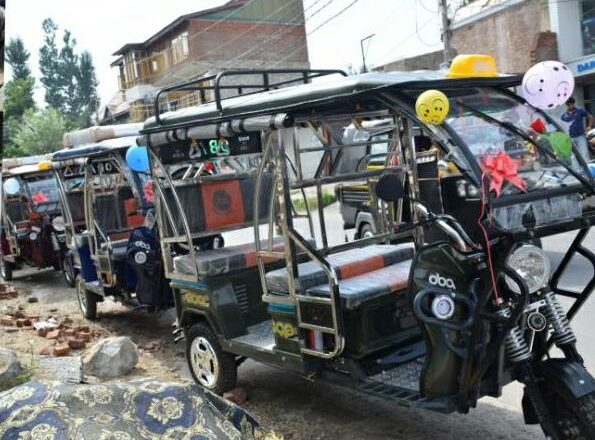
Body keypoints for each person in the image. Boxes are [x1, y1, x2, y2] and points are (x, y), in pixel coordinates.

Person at [561, 97, 593, 163]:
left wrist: (589, 126)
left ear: (574, 103)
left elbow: (591, 117)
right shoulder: (563, 116)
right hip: (570, 138)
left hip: (580, 137)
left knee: (584, 155)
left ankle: (589, 170)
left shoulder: (580, 110)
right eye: (569, 105)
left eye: (572, 104)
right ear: (566, 105)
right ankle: (577, 171)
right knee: (573, 157)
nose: (571, 106)